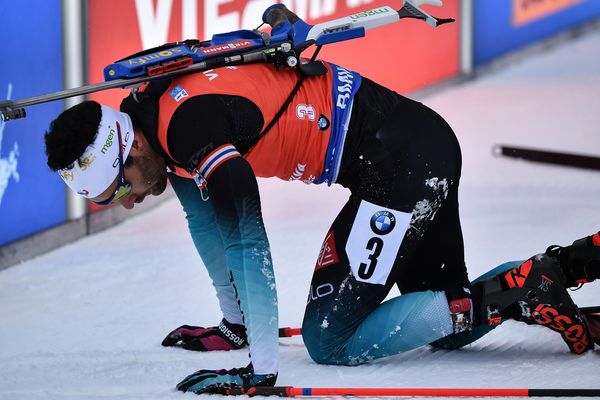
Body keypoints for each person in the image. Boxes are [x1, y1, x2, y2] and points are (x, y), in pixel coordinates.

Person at [44, 58, 599, 394]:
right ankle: (558, 271)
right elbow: (204, 224)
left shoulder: (190, 130)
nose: (125, 202)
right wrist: (235, 326)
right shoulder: (149, 113)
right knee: (441, 316)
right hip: (414, 150)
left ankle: (524, 288)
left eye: (121, 187)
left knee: (329, 339)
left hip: (400, 173)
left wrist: (260, 372)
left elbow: (247, 242)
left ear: (132, 144)